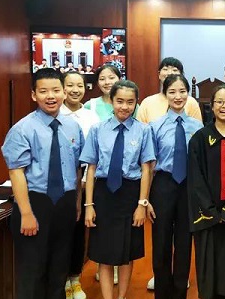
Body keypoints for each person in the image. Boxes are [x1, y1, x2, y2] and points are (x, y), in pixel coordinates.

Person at [2, 68, 84, 299]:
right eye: (44, 91)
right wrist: (26, 213)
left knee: (60, 267)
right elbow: (16, 172)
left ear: (64, 92)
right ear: (33, 95)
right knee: (33, 270)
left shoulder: (73, 127)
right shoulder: (22, 129)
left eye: (56, 90)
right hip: (35, 203)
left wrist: (77, 202)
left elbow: (77, 168)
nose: (51, 96)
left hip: (65, 202)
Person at [82, 80, 155, 299]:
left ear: (136, 103)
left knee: (127, 252)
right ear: (112, 101)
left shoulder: (144, 130)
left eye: (130, 102)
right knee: (104, 253)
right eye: (120, 101)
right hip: (103, 194)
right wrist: (88, 205)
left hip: (130, 194)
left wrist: (142, 204)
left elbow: (146, 169)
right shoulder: (97, 129)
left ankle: (121, 296)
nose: (124, 107)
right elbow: (91, 168)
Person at [188, 85, 225, 299]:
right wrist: (211, 210)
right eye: (219, 102)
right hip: (207, 213)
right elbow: (196, 178)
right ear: (211, 106)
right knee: (208, 267)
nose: (224, 106)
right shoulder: (199, 138)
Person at [149, 74, 203, 299]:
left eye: (182, 91)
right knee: (161, 240)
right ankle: (162, 291)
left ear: (188, 94)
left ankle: (180, 291)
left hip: (188, 186)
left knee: (184, 240)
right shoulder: (155, 126)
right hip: (163, 184)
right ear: (165, 95)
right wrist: (146, 198)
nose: (178, 96)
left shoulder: (197, 126)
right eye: (172, 92)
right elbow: (149, 164)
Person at [60, 71, 100, 299]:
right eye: (70, 85)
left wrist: (86, 183)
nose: (75, 90)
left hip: (85, 184)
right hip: (60, 186)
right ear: (62, 88)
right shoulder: (54, 114)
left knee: (78, 233)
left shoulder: (91, 117)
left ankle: (75, 279)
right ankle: (61, 279)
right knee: (61, 233)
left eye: (80, 85)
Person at [137, 57, 202, 124]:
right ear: (159, 74)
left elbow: (198, 128)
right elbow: (140, 128)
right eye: (165, 69)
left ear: (181, 75)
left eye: (174, 70)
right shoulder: (147, 102)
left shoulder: (191, 102)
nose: (170, 73)